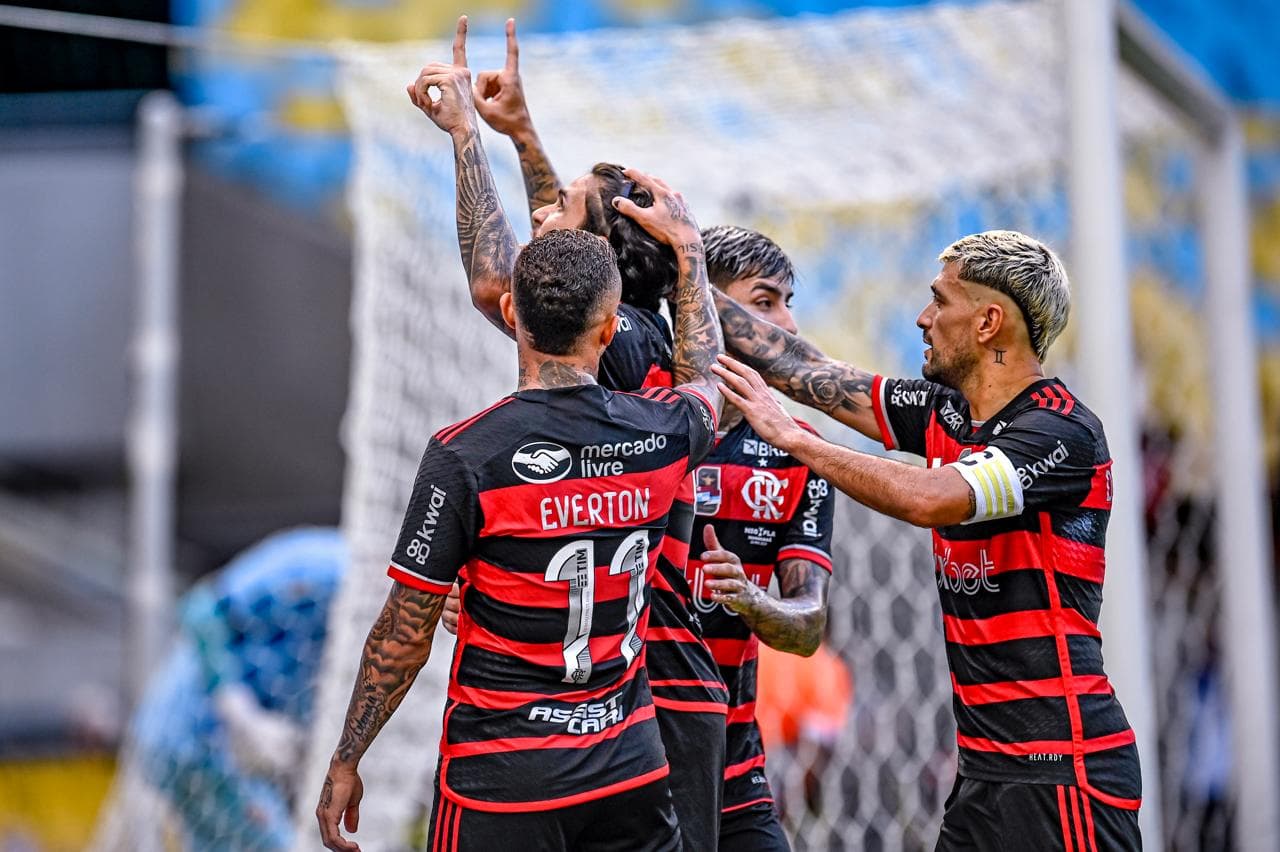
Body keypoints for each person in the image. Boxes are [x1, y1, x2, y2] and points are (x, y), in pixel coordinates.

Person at [315, 194, 726, 850]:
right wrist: (690, 253)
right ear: (609, 327)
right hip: (627, 772)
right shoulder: (665, 431)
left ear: (511, 312)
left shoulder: (465, 454)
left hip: (504, 782)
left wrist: (347, 758)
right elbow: (707, 378)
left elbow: (403, 633)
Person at [711, 231, 1142, 851]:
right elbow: (807, 371)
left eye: (940, 301)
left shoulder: (1059, 433)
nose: (922, 317)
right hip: (983, 774)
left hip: (1062, 772)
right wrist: (685, 265)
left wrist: (798, 441)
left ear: (990, 322)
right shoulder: (946, 413)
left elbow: (930, 499)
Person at [409, 18, 730, 850]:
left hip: (636, 695)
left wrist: (469, 138)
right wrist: (523, 133)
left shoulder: (622, 338)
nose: (540, 217)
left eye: (558, 210)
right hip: (632, 687)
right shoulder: (644, 338)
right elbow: (565, 253)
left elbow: (500, 284)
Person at [688, 225, 836, 851]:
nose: (790, 328)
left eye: (788, 303)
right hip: (628, 743)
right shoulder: (633, 416)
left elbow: (807, 627)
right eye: (766, 301)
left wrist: (752, 599)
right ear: (705, 304)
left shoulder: (798, 450)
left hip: (733, 746)